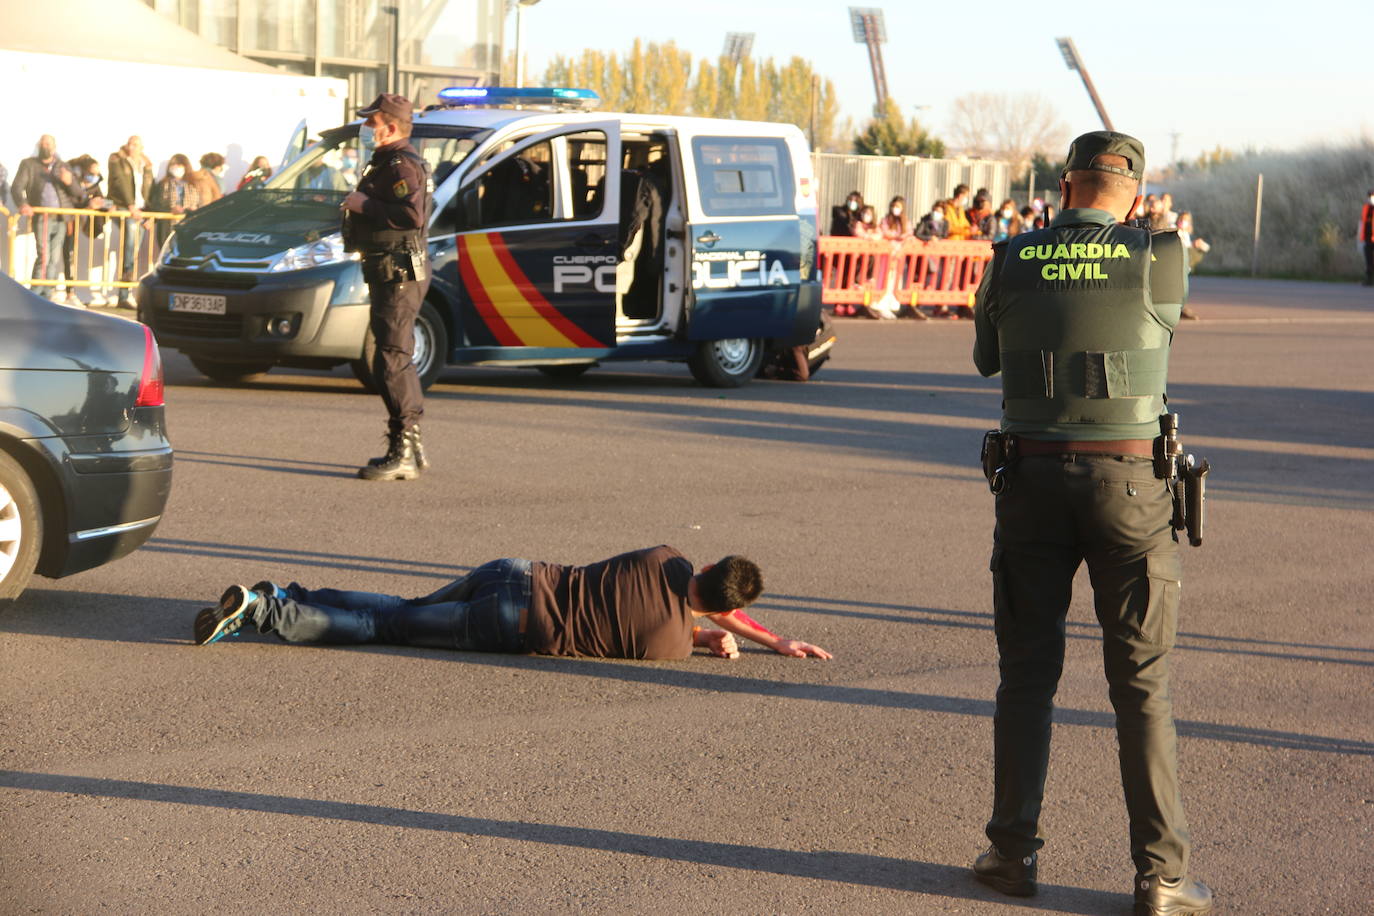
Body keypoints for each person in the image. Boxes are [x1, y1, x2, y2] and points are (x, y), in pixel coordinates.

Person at [969, 131, 1212, 915]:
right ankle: (1162, 879)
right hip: (1130, 487)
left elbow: (986, 359)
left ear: (1064, 185)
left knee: (1026, 675)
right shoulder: (1159, 253)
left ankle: (1012, 855)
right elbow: (1168, 317)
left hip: (1031, 479)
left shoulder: (1011, 257)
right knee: (1141, 684)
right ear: (1134, 196)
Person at [192, 545, 833, 663]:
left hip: (514, 572)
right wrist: (754, 641)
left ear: (711, 565)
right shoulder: (667, 646)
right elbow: (697, 619)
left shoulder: (662, 557)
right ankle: (263, 610)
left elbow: (699, 598)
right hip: (512, 625)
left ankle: (283, 596)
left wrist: (766, 636)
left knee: (397, 605)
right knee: (384, 626)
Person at [341, 93, 434, 481]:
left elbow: (411, 214)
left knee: (393, 358)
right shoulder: (388, 162)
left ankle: (405, 450)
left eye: (371, 122)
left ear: (391, 127)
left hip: (398, 273)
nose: (365, 128)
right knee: (393, 355)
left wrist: (364, 206)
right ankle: (408, 445)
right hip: (388, 270)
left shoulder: (401, 165)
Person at [13, 135, 87, 300]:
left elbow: (78, 194)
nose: (46, 146)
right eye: (43, 143)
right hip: (42, 216)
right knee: (43, 255)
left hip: (61, 218)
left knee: (54, 257)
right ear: (39, 145)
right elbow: (17, 187)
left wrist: (69, 182)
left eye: (49, 143)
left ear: (55, 146)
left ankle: (47, 295)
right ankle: (35, 295)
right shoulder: (29, 164)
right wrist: (23, 204)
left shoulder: (63, 166)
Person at [107, 136, 154, 307]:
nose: (132, 147)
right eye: (130, 144)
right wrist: (131, 206)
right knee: (129, 250)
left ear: (142, 147)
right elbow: (120, 183)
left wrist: (148, 215)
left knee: (134, 251)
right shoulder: (117, 160)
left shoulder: (146, 165)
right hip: (127, 209)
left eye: (136, 144)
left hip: (141, 211)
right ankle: (124, 294)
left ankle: (128, 292)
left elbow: (150, 191)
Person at [151, 154, 200, 249]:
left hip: (188, 225)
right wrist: (171, 209)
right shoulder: (164, 183)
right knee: (167, 250)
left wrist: (193, 209)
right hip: (168, 224)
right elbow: (156, 204)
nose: (176, 168)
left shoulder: (193, 184)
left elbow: (200, 204)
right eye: (174, 165)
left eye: (179, 165)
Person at [1359, 189, 1374, 287]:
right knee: (1369, 259)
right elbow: (1363, 222)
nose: (1372, 198)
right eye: (1371, 197)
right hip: (1368, 238)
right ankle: (1369, 278)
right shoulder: (1366, 208)